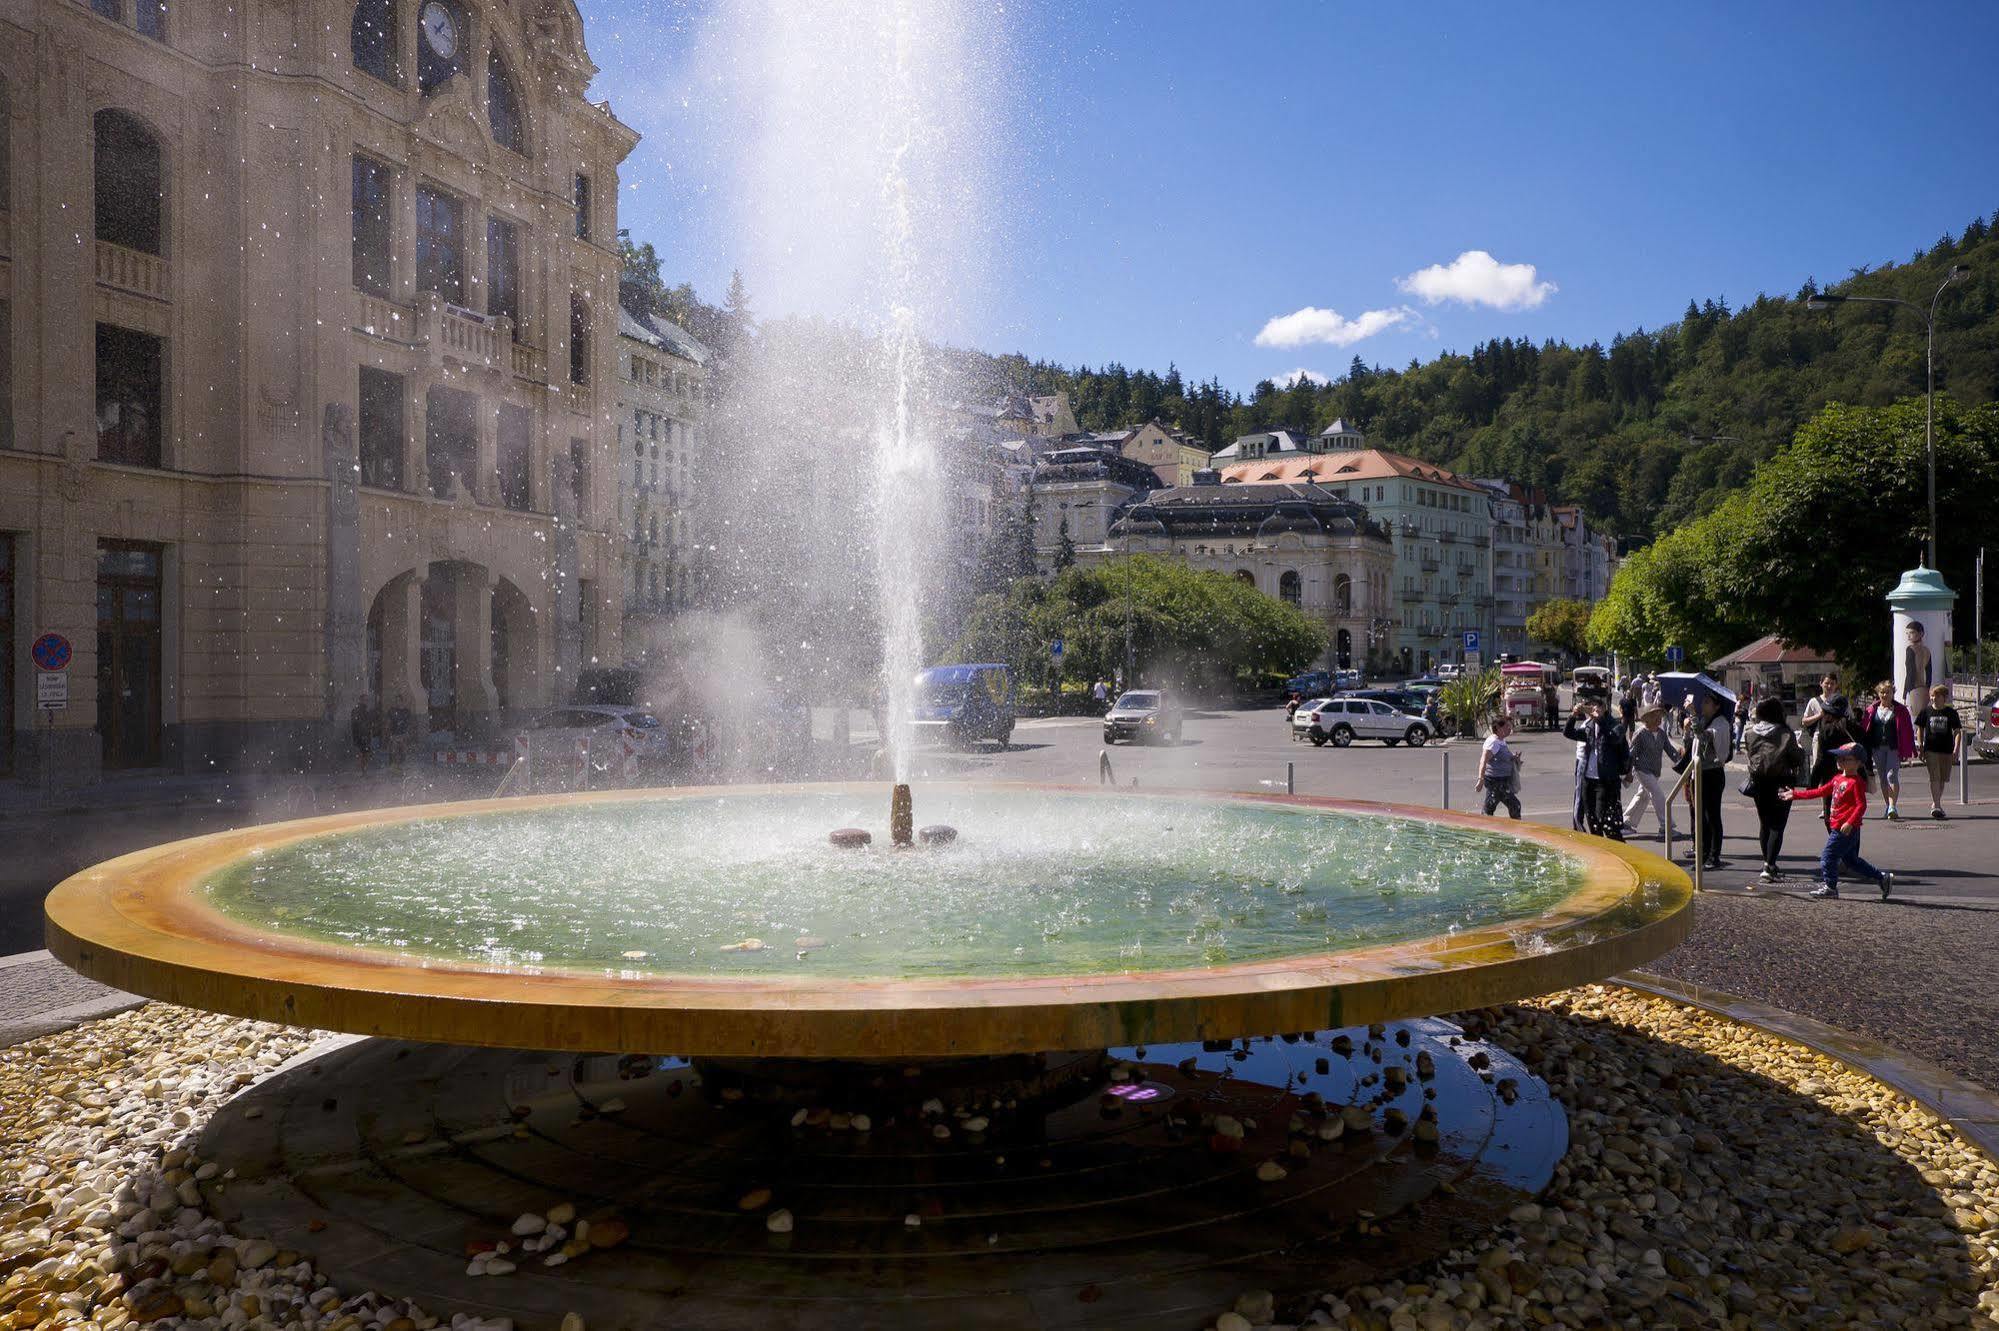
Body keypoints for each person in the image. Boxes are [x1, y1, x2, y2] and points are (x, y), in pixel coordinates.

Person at [1784, 743, 1894, 901]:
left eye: (1845, 758)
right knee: (1851, 861)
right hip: (1839, 827)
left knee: (1827, 857)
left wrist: (1850, 822)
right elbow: (1820, 791)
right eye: (1839, 757)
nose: (1840, 760)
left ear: (1858, 763)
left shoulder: (1856, 783)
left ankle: (1830, 887)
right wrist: (1795, 795)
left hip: (1846, 829)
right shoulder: (1837, 779)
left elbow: (1861, 806)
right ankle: (1882, 878)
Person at [1743, 696, 1804, 885]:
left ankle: (1767, 862)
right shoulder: (1785, 733)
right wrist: (1800, 749)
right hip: (1781, 782)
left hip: (1758, 781)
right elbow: (1796, 759)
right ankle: (1769, 865)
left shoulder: (1750, 732)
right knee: (1778, 825)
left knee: (1764, 823)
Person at [1563, 697, 1629, 840]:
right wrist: (1573, 716)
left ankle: (1618, 849)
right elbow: (1568, 733)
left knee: (1604, 820)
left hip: (1606, 780)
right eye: (1591, 706)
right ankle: (1600, 850)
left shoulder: (1615, 724)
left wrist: (1600, 720)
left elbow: (1613, 738)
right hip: (1588, 779)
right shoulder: (1589, 726)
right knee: (1591, 818)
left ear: (1605, 708)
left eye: (1597, 706)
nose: (1594, 709)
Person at [1621, 704, 1678, 839]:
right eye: (1655, 716)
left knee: (1643, 796)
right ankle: (1666, 826)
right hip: (1642, 770)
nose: (1659, 719)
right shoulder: (1640, 733)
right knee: (1658, 794)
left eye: (1660, 716)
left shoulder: (1661, 733)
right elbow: (1632, 754)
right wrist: (1628, 772)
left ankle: (1627, 823)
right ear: (1648, 719)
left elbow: (1670, 750)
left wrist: (1682, 761)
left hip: (1655, 771)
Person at [1862, 680, 1915, 821]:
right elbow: (1865, 729)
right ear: (1878, 694)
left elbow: (1908, 731)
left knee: (1891, 775)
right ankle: (1888, 806)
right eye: (1882, 692)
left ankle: (1892, 806)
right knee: (1883, 778)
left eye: (1888, 692)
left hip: (1894, 748)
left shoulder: (1901, 710)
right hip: (1877, 748)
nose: (1885, 695)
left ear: (1893, 693)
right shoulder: (1871, 710)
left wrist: (1908, 750)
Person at [1692, 693, 1732, 870]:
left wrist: (1692, 716)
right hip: (1699, 772)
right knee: (1701, 815)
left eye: (1707, 702)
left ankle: (1714, 855)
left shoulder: (1720, 723)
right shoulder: (1705, 720)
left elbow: (1705, 739)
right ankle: (1703, 852)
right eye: (1703, 701)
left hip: (1712, 773)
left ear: (1716, 706)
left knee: (1712, 815)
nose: (1703, 704)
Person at [1914, 683, 1963, 819]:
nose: (1933, 698)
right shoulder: (1926, 712)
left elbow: (1957, 732)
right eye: (1932, 696)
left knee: (1942, 779)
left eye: (1936, 696)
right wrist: (1921, 746)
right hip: (1931, 750)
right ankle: (1936, 805)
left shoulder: (1951, 713)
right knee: (1934, 777)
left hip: (1947, 750)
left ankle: (1936, 803)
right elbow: (1920, 729)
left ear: (1944, 697)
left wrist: (1956, 750)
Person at [1476, 715, 1523, 819]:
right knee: (1514, 805)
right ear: (1498, 727)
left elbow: (1502, 757)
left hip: (1502, 780)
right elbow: (1483, 760)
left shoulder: (1501, 741)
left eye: (1510, 726)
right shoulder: (1493, 742)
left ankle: (1485, 825)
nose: (1510, 729)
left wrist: (1514, 758)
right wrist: (1480, 779)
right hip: (1495, 781)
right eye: (1507, 726)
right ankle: (1516, 830)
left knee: (1490, 807)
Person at [1903, 621, 1933, 713]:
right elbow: (1929, 673)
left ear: (1921, 633)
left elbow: (1910, 673)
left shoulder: (1910, 649)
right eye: (1907, 633)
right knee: (1922, 719)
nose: (1909, 636)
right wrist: (1928, 689)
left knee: (1914, 720)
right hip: (1924, 689)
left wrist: (1905, 694)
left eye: (1912, 633)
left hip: (1913, 689)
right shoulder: (1927, 650)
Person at [348, 695, 377, 772]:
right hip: (360, 735)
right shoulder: (357, 711)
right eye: (364, 700)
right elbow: (355, 724)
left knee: (365, 753)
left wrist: (369, 733)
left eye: (366, 700)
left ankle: (363, 770)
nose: (366, 702)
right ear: (360, 700)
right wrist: (356, 736)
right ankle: (363, 770)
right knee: (362, 753)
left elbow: (369, 724)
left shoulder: (366, 711)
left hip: (364, 735)